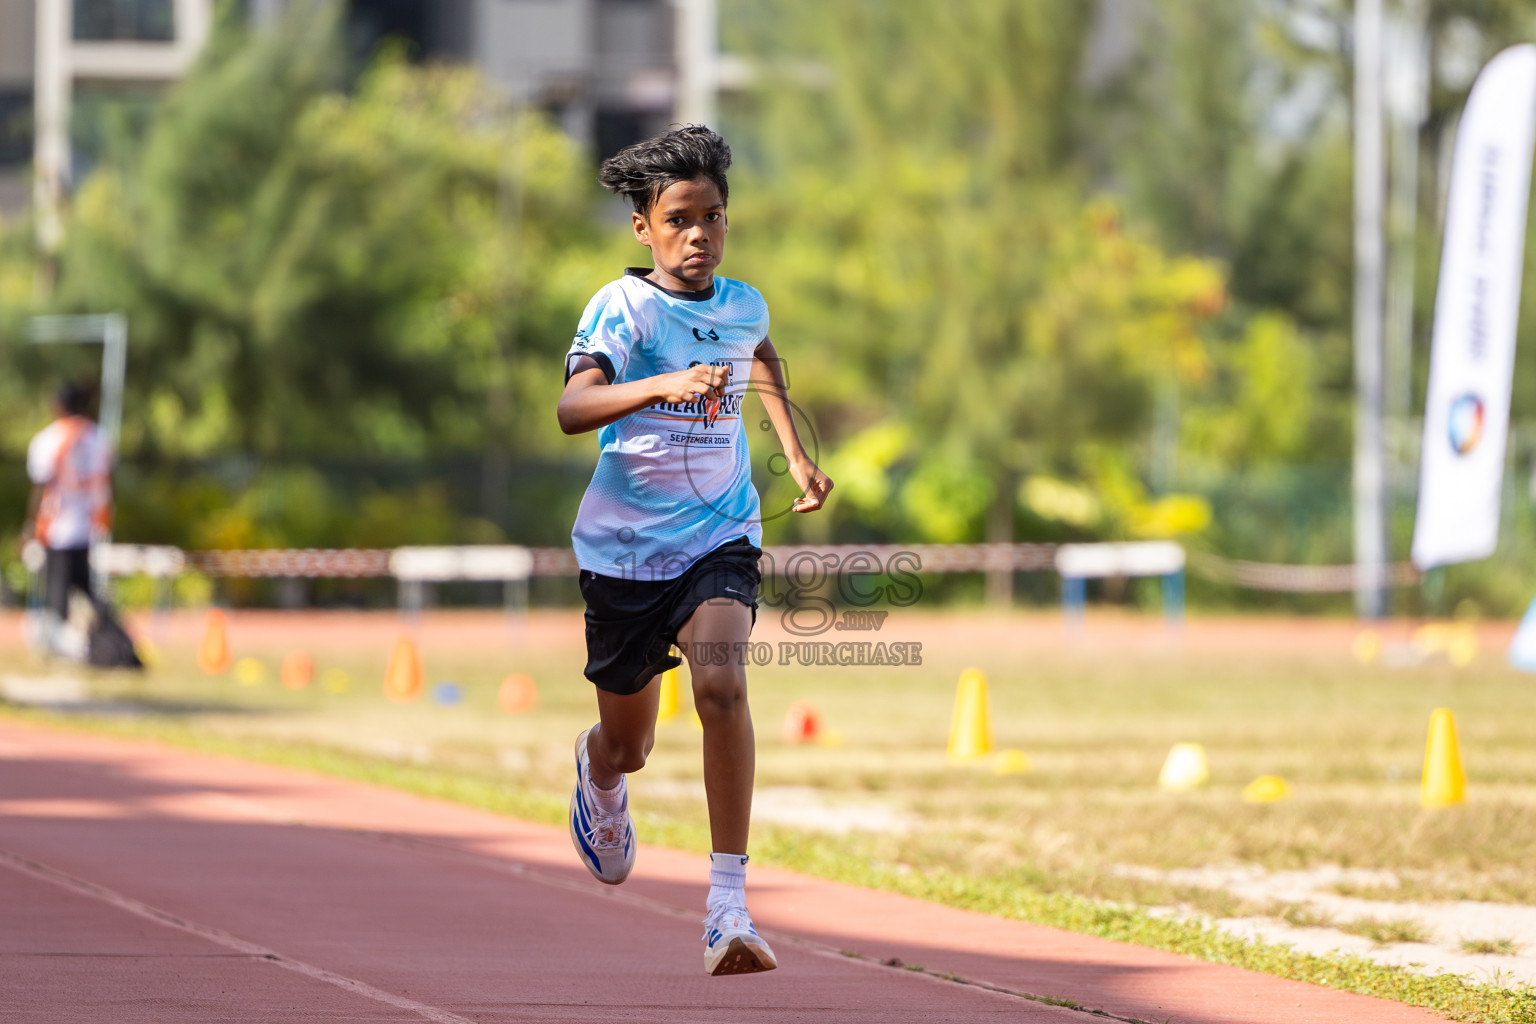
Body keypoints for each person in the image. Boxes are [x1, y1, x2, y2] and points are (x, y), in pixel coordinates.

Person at [557, 125, 832, 976]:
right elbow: (573, 408)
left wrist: (791, 449)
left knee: (721, 683)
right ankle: (600, 777)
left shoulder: (743, 302)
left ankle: (727, 906)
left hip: (720, 534)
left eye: (713, 216)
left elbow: (762, 357)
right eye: (679, 218)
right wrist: (665, 384)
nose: (699, 234)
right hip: (625, 551)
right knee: (629, 742)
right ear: (644, 225)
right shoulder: (621, 307)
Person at [22, 380, 114, 639]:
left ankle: (66, 641)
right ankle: (98, 635)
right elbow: (107, 480)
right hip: (90, 524)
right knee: (86, 587)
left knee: (58, 592)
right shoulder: (99, 436)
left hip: (58, 526)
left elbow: (40, 487)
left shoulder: (50, 438)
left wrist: (29, 526)